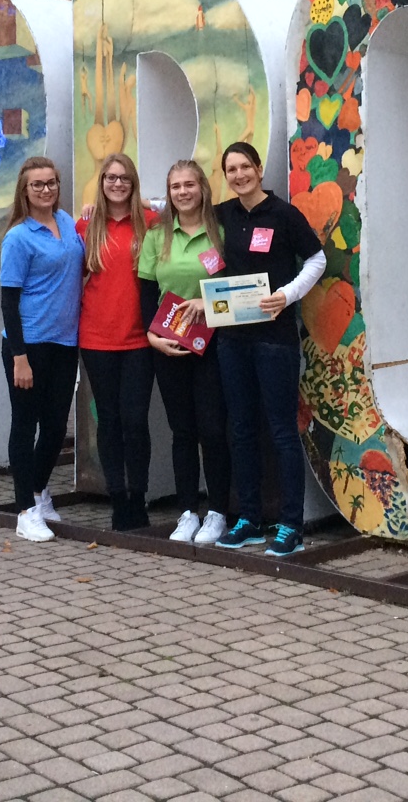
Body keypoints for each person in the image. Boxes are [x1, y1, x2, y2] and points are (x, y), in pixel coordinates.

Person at [212, 142, 326, 556]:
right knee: (241, 430)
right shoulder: (222, 215)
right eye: (231, 169)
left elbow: (316, 260)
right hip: (232, 340)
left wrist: (287, 295)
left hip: (274, 340)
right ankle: (249, 519)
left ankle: (291, 524)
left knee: (281, 431)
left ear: (259, 170)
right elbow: (175, 209)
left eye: (245, 166)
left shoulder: (283, 214)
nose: (239, 175)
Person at [137, 160, 233, 546]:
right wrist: (151, 336)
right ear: (169, 193)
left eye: (189, 184)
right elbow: (146, 291)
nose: (182, 192)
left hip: (213, 345)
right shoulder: (157, 236)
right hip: (169, 345)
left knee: (213, 430)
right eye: (175, 186)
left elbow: (234, 286)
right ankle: (187, 512)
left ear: (202, 188)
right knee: (182, 431)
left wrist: (206, 304)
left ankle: (218, 513)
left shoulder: (220, 231)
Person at [0, 156, 84, 542]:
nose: (46, 190)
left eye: (51, 183)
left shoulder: (66, 223)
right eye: (38, 184)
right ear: (25, 190)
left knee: (55, 426)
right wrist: (19, 358)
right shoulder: (18, 237)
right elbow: (8, 302)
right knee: (25, 424)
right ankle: (25, 511)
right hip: (28, 346)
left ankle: (38, 491)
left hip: (65, 342)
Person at [77, 153, 158, 532]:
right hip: (97, 339)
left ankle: (138, 496)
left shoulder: (150, 223)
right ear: (102, 182)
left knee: (136, 421)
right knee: (108, 420)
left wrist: (148, 201)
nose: (117, 184)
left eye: (124, 178)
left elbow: (178, 206)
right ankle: (118, 499)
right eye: (110, 177)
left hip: (140, 339)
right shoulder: (86, 225)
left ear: (133, 183)